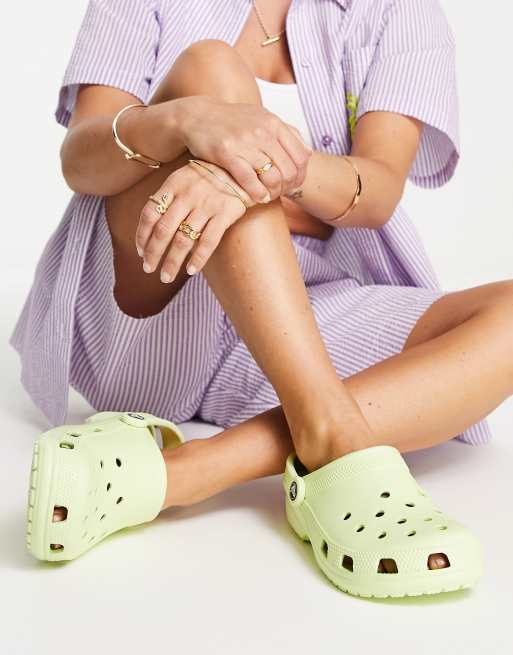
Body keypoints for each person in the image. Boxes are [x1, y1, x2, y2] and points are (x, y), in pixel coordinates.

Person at [13, 0, 510, 597]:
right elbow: (81, 159)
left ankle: (192, 470)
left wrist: (251, 173)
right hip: (152, 301)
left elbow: (376, 190)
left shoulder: (396, 12)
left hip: (297, 319)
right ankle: (334, 437)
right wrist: (186, 122)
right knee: (212, 69)